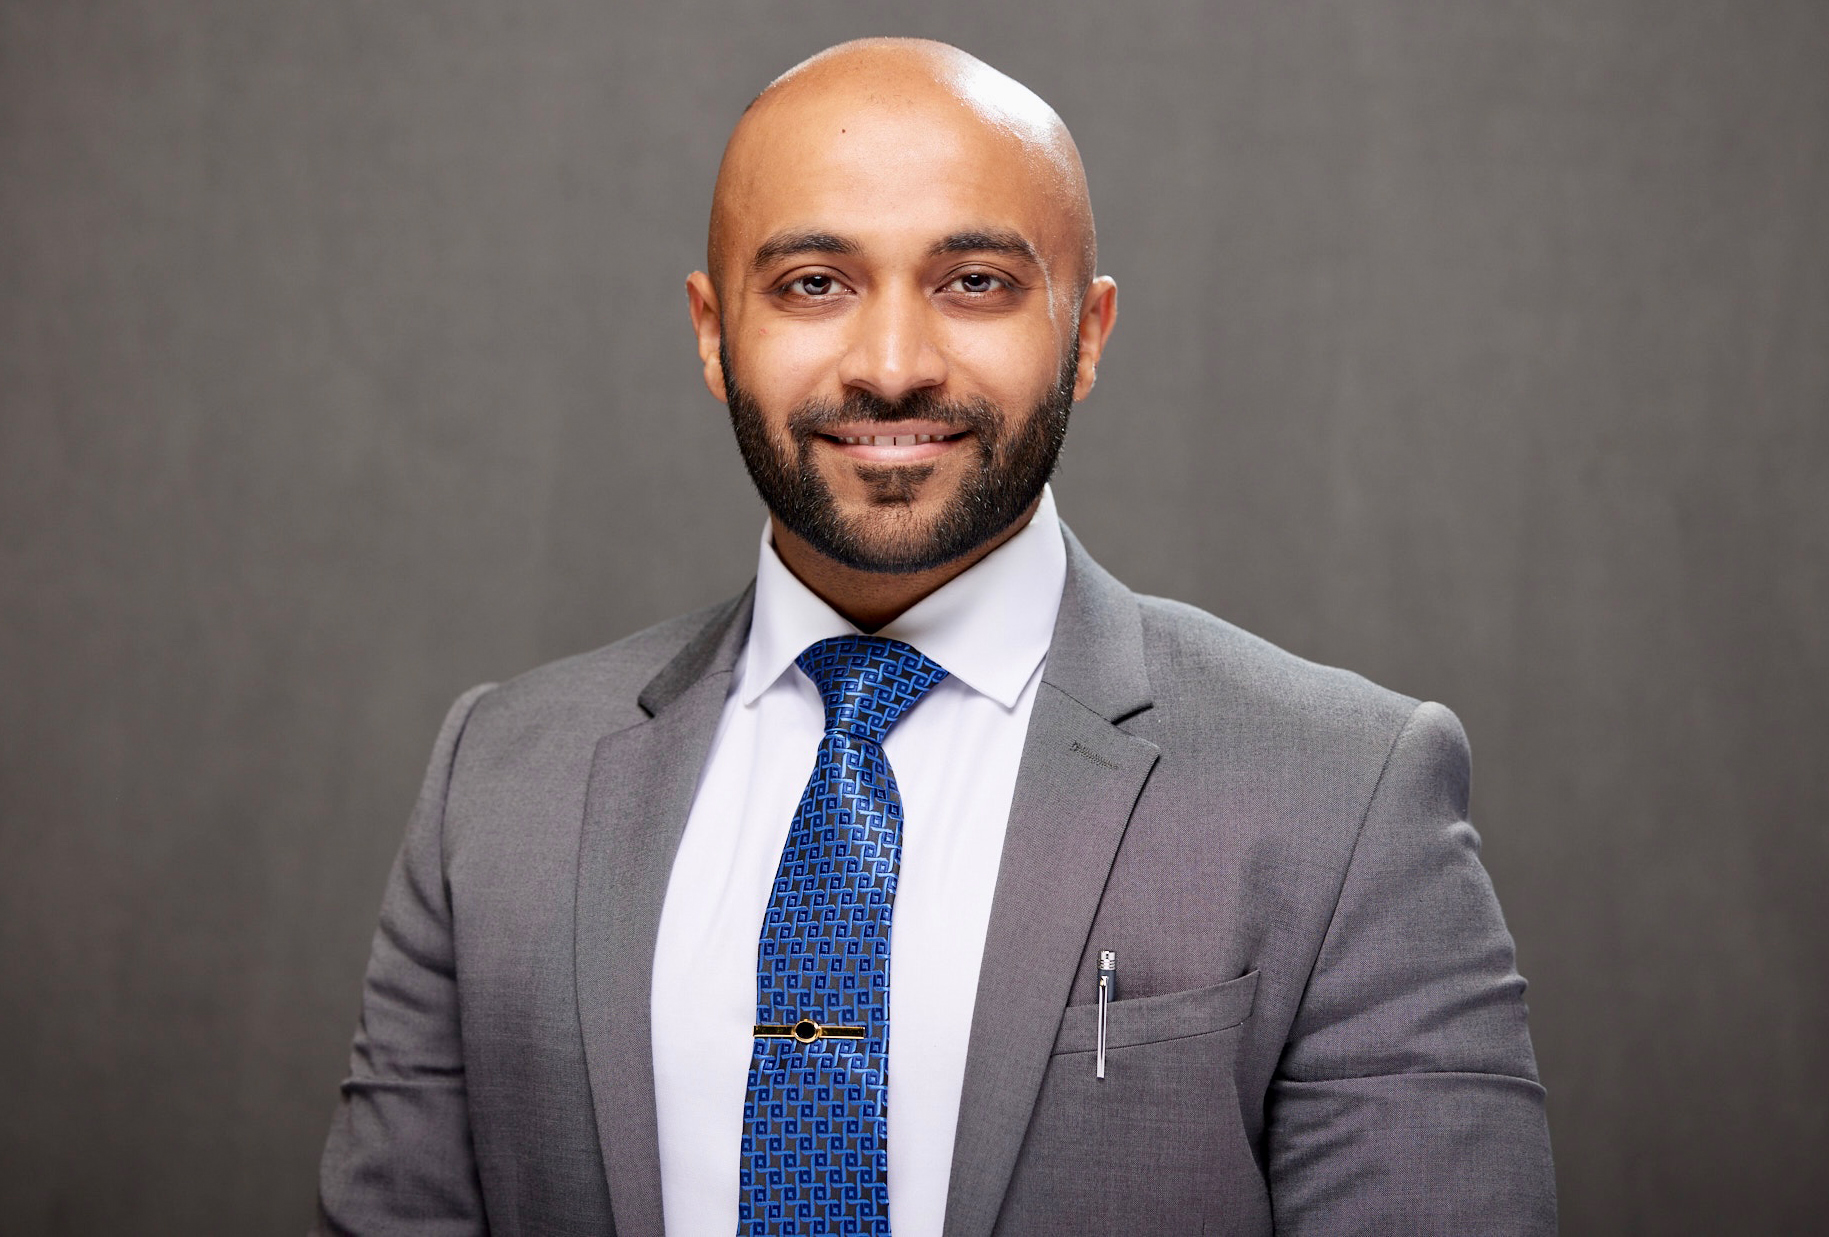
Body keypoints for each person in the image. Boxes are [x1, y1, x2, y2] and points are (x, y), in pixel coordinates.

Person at [316, 37, 1555, 1237]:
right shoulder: (497, 780)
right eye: (813, 283)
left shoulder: (1343, 793)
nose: (893, 365)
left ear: (1086, 334)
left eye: (974, 282)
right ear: (710, 332)